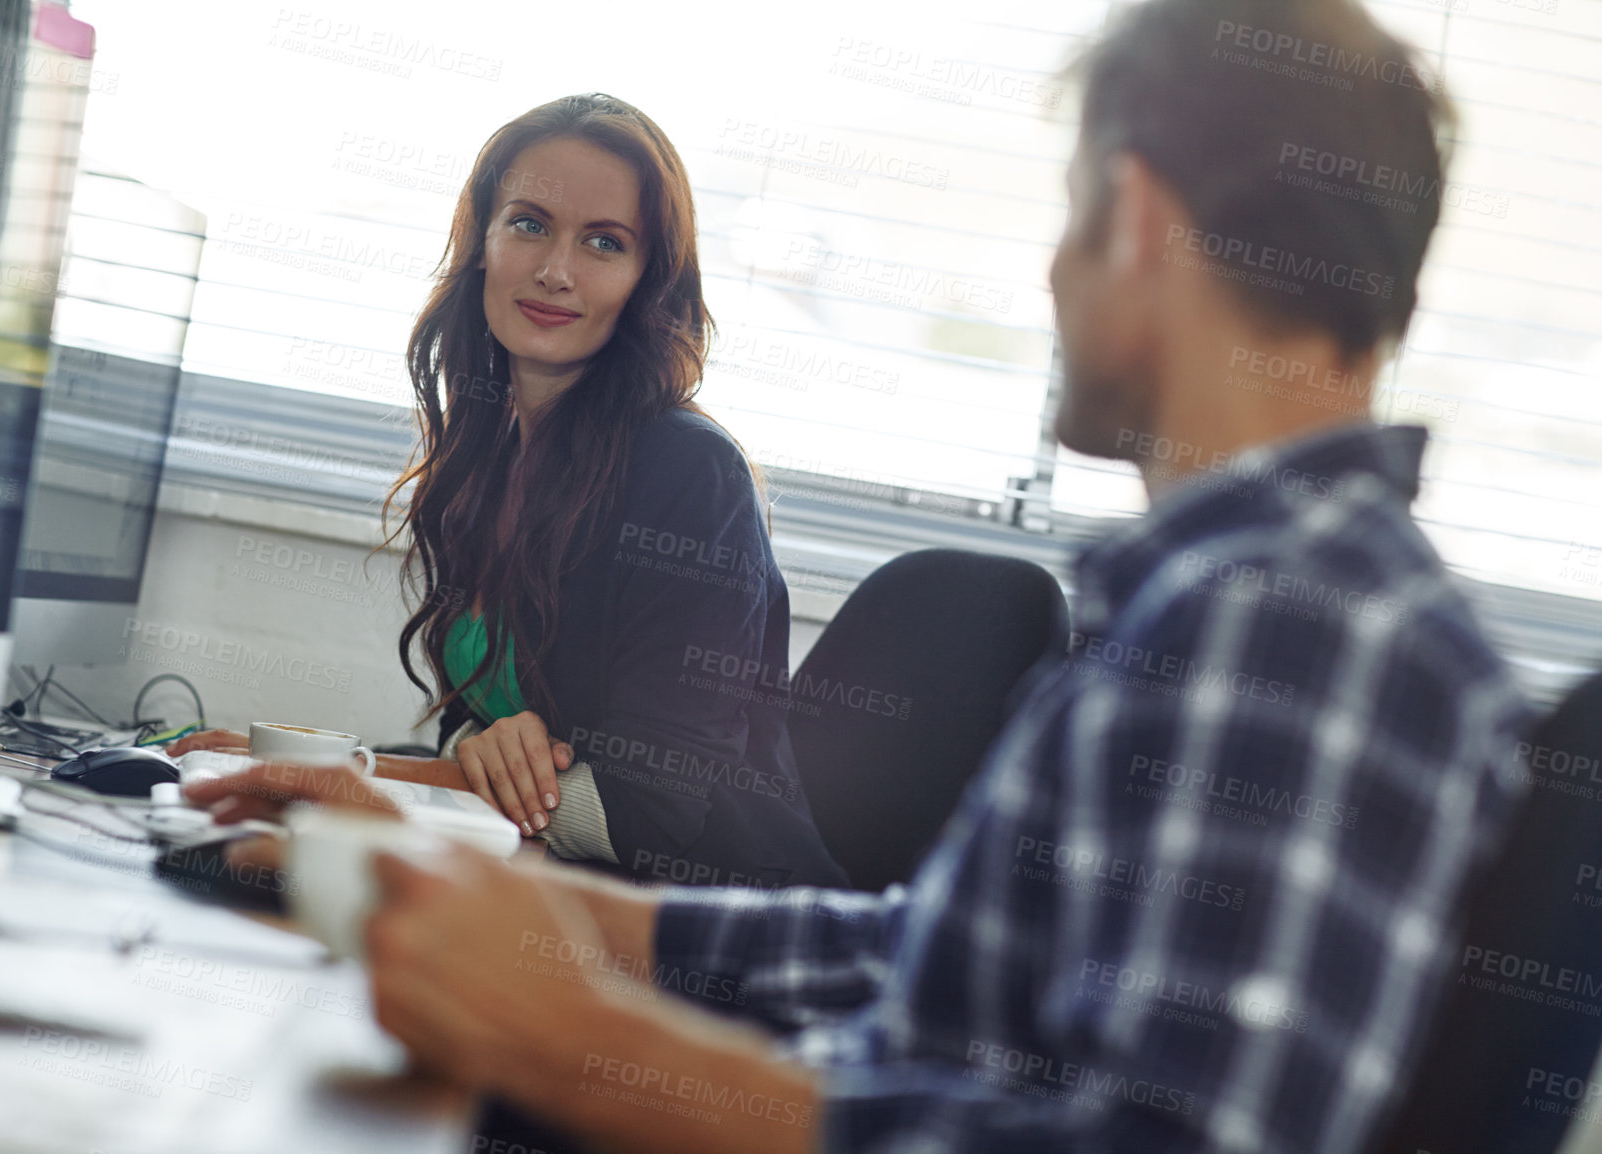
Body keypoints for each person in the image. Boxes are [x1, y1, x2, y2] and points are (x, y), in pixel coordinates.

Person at [189, 0, 1536, 1150]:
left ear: (1128, 221)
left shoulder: (1297, 630)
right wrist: (520, 906)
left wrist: (577, 1043)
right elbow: (925, 960)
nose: (1052, 272)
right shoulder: (1229, 605)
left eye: (1069, 217)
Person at [175, 94, 846, 889]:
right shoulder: (490, 451)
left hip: (702, 926)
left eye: (605, 242)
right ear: (482, 244)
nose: (555, 271)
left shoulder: (688, 473)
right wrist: (463, 751)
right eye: (529, 223)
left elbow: (645, 811)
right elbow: (486, 732)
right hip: (548, 889)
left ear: (646, 280)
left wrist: (323, 776)